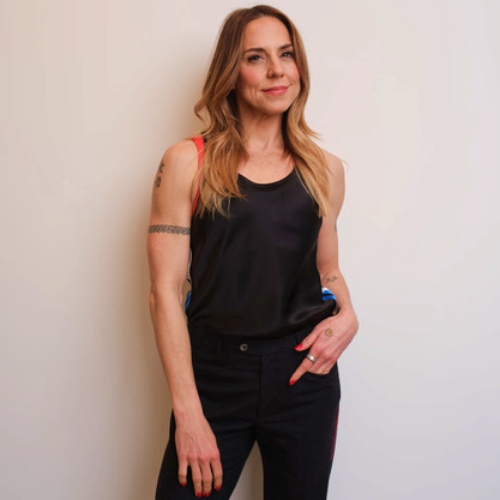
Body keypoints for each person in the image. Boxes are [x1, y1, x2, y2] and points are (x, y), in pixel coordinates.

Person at [147, 5, 358, 499]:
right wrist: (189, 414)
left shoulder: (324, 169)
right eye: (256, 57)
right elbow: (164, 292)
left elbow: (328, 270)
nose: (277, 70)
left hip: (304, 376)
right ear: (231, 71)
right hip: (215, 376)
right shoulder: (187, 162)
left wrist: (348, 315)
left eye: (286, 54)